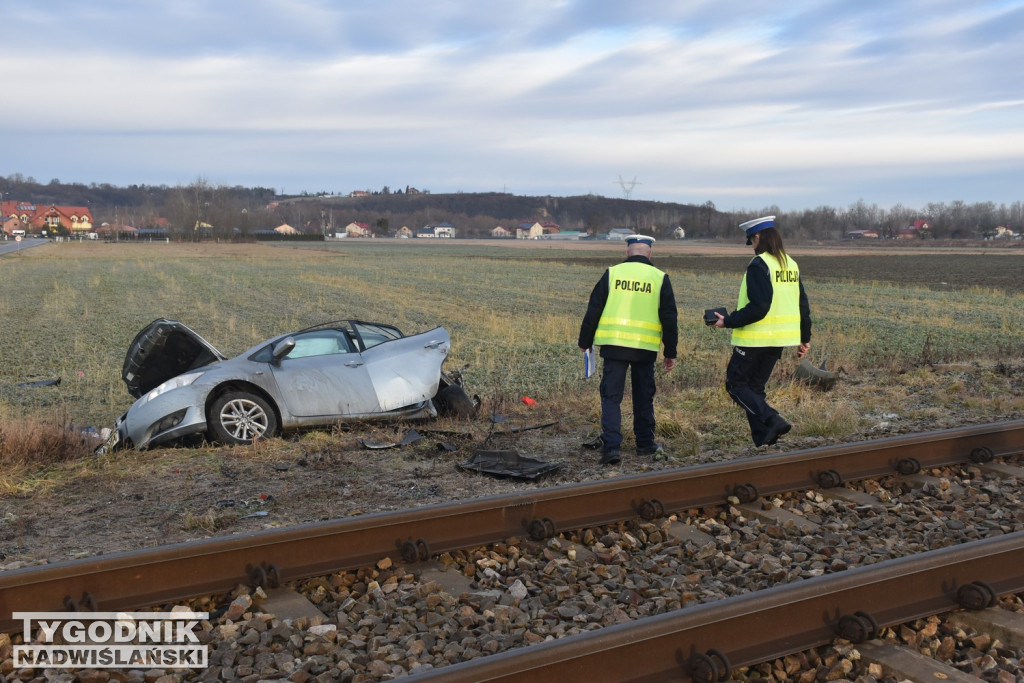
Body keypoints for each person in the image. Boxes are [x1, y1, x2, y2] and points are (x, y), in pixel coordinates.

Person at [578, 234, 678, 464]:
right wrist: (670, 352)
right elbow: (669, 318)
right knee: (643, 397)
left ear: (627, 252)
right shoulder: (659, 278)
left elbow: (594, 308)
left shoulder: (612, 273)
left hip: (614, 348)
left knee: (611, 397)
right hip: (644, 349)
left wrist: (585, 340)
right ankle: (645, 444)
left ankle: (611, 449)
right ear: (649, 253)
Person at [712, 216, 812, 447]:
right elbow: (802, 305)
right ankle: (764, 440)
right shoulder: (790, 264)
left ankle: (772, 419)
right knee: (754, 389)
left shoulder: (760, 264)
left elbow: (759, 306)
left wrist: (728, 321)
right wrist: (804, 338)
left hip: (755, 339)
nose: (752, 247)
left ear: (757, 237)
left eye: (751, 241)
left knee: (735, 385)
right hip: (778, 339)